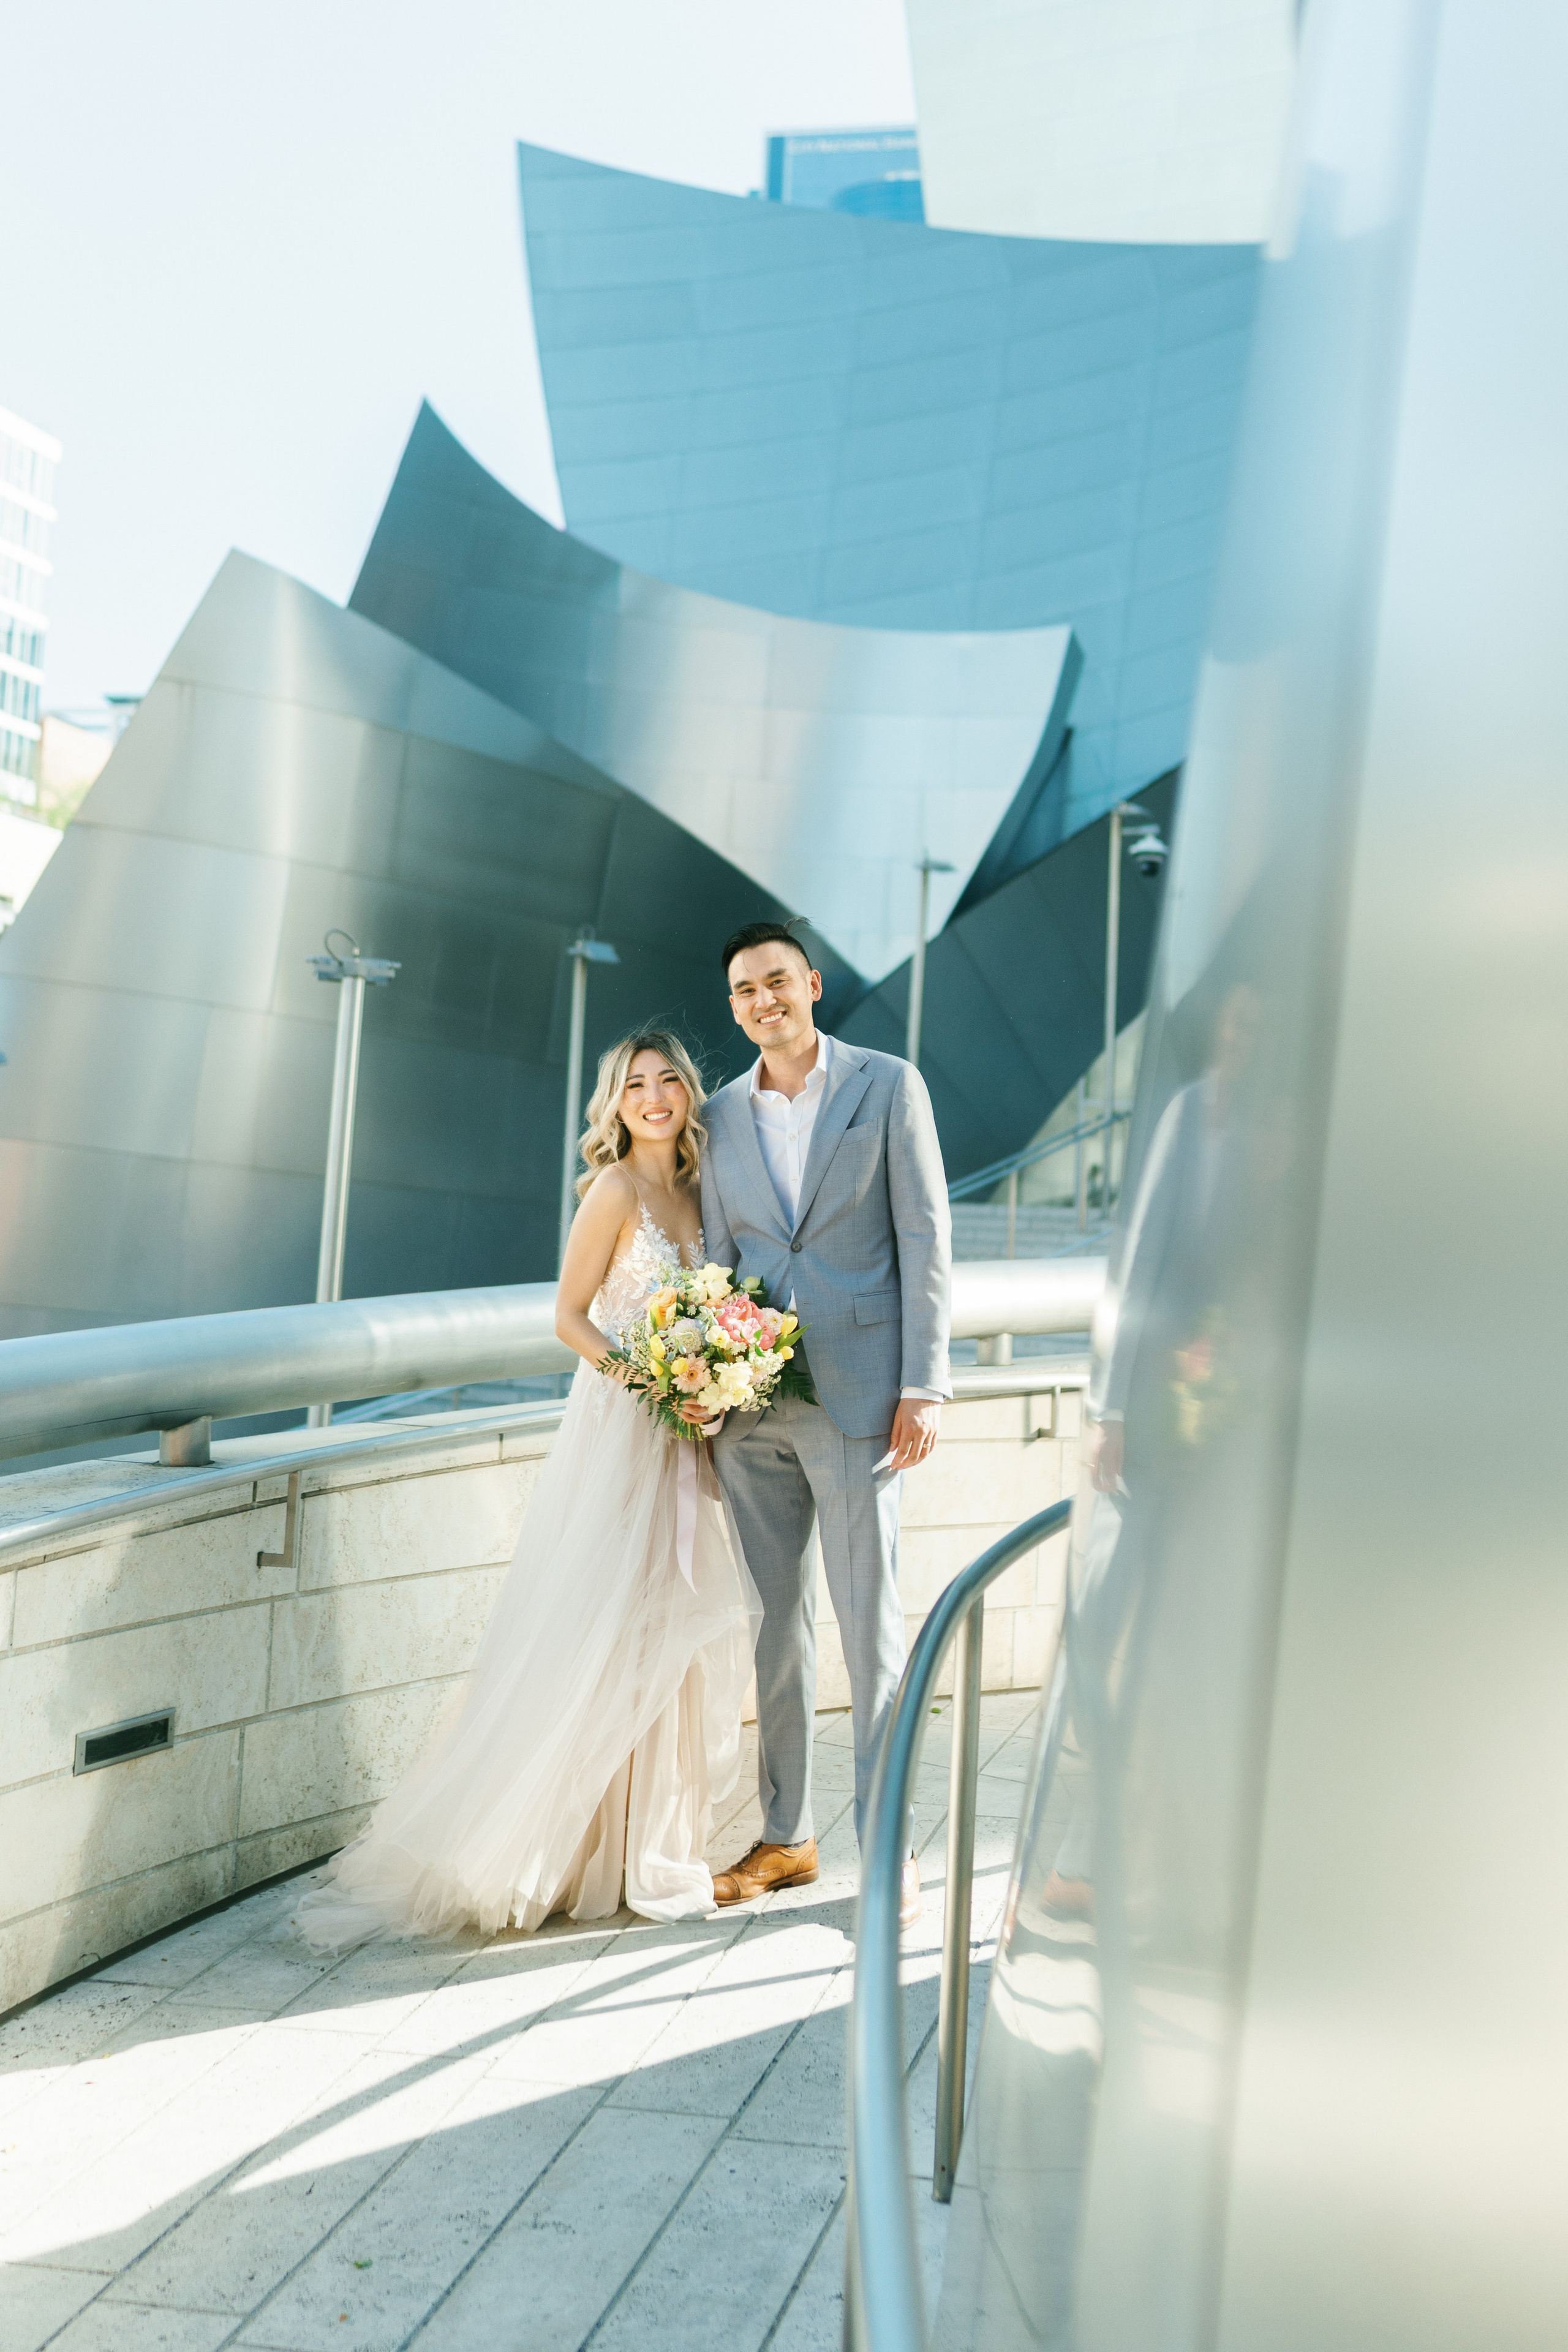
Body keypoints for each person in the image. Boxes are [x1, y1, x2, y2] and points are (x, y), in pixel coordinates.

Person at [297, 1030, 760, 1947]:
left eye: (669, 1080)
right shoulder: (616, 1190)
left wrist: (712, 1383)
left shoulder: (704, 1193)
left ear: (689, 1095)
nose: (655, 1096)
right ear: (615, 1105)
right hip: (623, 1435)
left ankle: (645, 1847)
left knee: (668, 1633)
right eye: (636, 1085)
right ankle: (554, 1844)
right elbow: (568, 1318)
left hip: (687, 1437)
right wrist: (657, 1384)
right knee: (596, 1626)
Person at [700, 922, 952, 1922]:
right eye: (742, 990)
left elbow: (925, 1232)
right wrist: (705, 1393)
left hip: (860, 1402)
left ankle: (887, 1847)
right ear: (734, 1008)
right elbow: (719, 1259)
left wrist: (923, 1384)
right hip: (749, 1410)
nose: (763, 1000)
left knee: (869, 1632)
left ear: (812, 984)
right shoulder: (719, 1117)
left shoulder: (888, 1085)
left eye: (776, 981)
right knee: (776, 1632)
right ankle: (786, 1837)